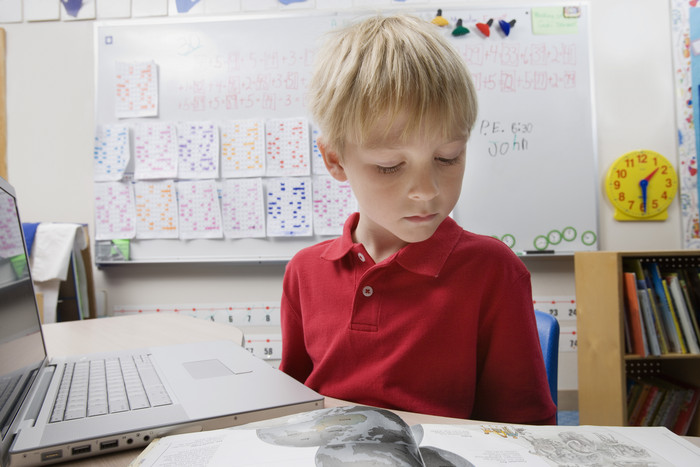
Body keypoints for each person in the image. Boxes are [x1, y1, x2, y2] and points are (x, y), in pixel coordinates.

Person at [279, 14, 556, 425]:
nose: (427, 191)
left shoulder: (492, 271)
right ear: (335, 159)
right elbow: (293, 408)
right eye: (390, 166)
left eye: (448, 158)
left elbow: (524, 431)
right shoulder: (305, 272)